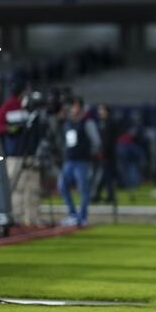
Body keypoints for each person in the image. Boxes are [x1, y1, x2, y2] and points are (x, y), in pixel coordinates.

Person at [7, 90, 51, 226]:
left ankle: (31, 217)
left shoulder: (36, 119)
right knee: (18, 188)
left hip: (30, 155)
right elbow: (7, 126)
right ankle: (17, 216)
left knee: (32, 188)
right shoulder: (18, 116)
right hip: (18, 156)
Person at [58, 96, 100, 226]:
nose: (72, 109)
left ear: (80, 107)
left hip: (82, 161)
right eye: (71, 106)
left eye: (75, 106)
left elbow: (96, 141)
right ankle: (72, 214)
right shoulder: (68, 122)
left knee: (83, 189)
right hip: (69, 160)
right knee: (62, 186)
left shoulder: (87, 122)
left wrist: (89, 154)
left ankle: (82, 217)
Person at [92, 103, 118, 205]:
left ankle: (103, 196)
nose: (100, 112)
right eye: (99, 110)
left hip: (108, 154)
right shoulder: (99, 123)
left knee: (105, 176)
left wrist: (104, 151)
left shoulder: (111, 123)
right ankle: (104, 196)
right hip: (101, 153)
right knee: (103, 175)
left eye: (102, 110)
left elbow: (110, 140)